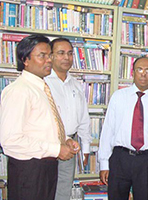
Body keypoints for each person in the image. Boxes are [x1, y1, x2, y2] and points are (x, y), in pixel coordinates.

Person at [0, 34, 80, 200]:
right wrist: (57, 149)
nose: (49, 60)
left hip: (47, 167)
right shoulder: (19, 91)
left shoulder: (41, 87)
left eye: (49, 55)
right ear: (25, 60)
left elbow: (43, 126)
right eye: (42, 56)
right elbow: (10, 140)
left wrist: (64, 140)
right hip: (29, 170)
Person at [98, 57, 148, 200]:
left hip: (146, 161)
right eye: (140, 69)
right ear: (133, 72)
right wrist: (104, 164)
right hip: (120, 158)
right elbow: (108, 131)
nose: (143, 74)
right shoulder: (118, 97)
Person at [45, 37, 92, 200]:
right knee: (43, 191)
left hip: (70, 146)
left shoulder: (76, 84)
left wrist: (85, 147)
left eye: (70, 53)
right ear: (50, 56)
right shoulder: (43, 82)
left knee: (63, 192)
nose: (67, 57)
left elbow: (83, 117)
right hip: (45, 147)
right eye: (61, 53)